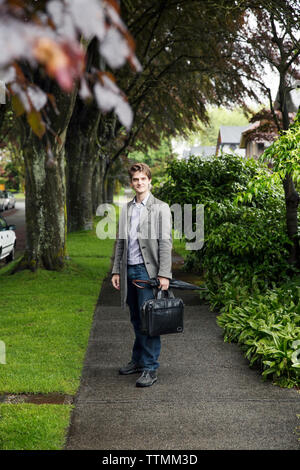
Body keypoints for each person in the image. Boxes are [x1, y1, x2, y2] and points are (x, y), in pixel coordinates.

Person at [111, 162, 172, 387]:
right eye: (135, 179)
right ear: (131, 183)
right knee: (136, 319)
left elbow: (165, 243)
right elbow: (120, 242)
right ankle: (137, 361)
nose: (139, 183)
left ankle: (150, 368)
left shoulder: (160, 208)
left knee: (149, 322)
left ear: (149, 181)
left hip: (148, 273)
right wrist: (116, 270)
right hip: (129, 270)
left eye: (143, 179)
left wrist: (164, 274)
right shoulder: (126, 209)